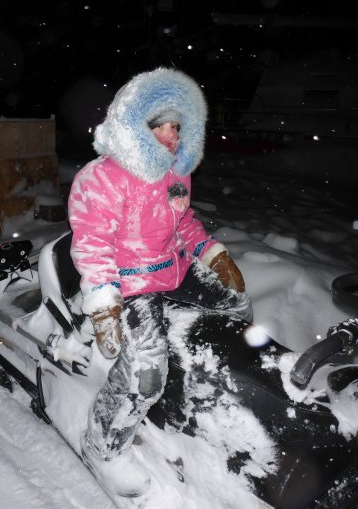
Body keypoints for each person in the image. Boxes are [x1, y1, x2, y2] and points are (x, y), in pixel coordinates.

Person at [68, 67, 252, 497]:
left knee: (237, 304)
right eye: (160, 126)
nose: (171, 136)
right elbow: (92, 245)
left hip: (173, 267)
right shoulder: (101, 179)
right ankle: (102, 446)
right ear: (135, 126)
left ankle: (209, 382)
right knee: (146, 374)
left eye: (177, 127)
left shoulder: (175, 172)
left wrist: (212, 253)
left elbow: (182, 222)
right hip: (131, 282)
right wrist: (104, 303)